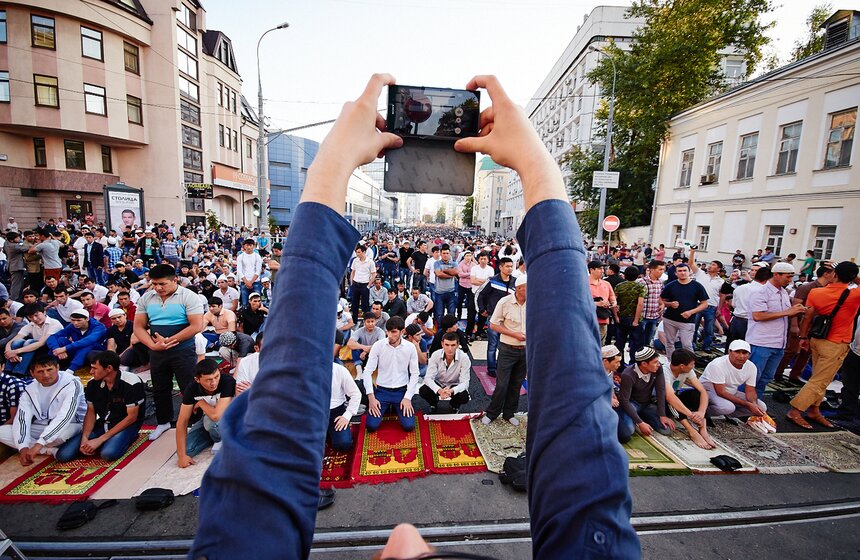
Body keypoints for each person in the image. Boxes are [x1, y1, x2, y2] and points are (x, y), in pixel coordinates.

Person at [189, 74, 638, 559]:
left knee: (389, 422)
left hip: (393, 393)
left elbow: (575, 407)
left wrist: (331, 165)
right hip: (395, 390)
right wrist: (536, 166)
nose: (404, 534)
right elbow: (574, 390)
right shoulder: (385, 338)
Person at [135, 264, 204, 441]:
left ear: (175, 280)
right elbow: (139, 326)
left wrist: (170, 341)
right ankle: (163, 421)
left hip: (182, 350)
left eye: (162, 284)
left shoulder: (188, 296)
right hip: (157, 351)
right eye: (154, 284)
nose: (158, 288)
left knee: (188, 387)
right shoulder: (147, 298)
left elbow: (196, 325)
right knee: (159, 387)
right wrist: (153, 345)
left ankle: (196, 423)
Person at [788, 261, 860, 429]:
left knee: (819, 377)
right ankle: (796, 410)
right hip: (837, 343)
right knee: (820, 380)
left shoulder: (816, 292)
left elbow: (808, 317)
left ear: (834, 275)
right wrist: (853, 276)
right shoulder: (854, 294)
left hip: (817, 338)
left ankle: (814, 409)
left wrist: (803, 337)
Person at [0, 355, 86, 464]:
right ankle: (49, 450)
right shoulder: (30, 389)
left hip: (73, 424)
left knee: (58, 437)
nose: (46, 375)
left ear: (58, 367)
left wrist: (38, 444)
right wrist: (22, 447)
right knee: (2, 431)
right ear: (32, 373)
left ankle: (41, 446)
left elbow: (65, 417)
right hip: (42, 425)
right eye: (40, 371)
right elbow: (22, 419)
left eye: (49, 370)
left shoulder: (71, 383)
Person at [63, 351, 145, 461]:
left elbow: (131, 418)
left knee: (108, 454)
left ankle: (127, 437)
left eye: (95, 368)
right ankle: (103, 442)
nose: (91, 372)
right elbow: (91, 412)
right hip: (102, 423)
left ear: (109, 368)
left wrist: (100, 440)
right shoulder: (93, 384)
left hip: (125, 425)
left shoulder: (132, 383)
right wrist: (85, 438)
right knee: (64, 455)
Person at [746, 262, 806, 398]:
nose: (790, 280)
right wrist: (787, 312)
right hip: (761, 342)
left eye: (792, 277)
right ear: (776, 274)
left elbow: (785, 313)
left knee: (766, 378)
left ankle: (755, 406)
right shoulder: (760, 292)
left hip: (778, 343)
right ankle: (742, 406)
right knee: (752, 379)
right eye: (788, 277)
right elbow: (757, 315)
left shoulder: (783, 292)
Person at [775, 262, 835, 383]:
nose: (835, 276)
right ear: (826, 274)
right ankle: (778, 373)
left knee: (806, 352)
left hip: (815, 325)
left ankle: (795, 375)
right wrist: (794, 325)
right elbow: (795, 307)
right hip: (801, 322)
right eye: (834, 273)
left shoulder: (828, 288)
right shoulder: (807, 287)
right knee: (791, 350)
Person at [482, 274, 527, 425]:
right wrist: (514, 334)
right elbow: (493, 325)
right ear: (520, 288)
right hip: (508, 349)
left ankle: (509, 413)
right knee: (502, 384)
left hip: (526, 350)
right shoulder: (505, 302)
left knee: (517, 384)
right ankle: (492, 413)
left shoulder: (534, 303)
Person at [362, 315, 420, 432]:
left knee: (408, 426)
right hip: (382, 391)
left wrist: (408, 397)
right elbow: (367, 371)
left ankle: (395, 407)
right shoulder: (378, 346)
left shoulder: (410, 347)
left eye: (394, 332)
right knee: (371, 426)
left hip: (401, 391)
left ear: (402, 331)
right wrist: (371, 397)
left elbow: (415, 373)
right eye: (388, 331)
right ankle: (390, 407)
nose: (390, 335)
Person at [176, 358, 235, 466]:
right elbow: (182, 422)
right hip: (209, 420)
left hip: (229, 419)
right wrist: (181, 456)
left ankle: (226, 439)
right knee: (187, 450)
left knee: (211, 423)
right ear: (197, 380)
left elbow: (216, 416)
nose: (214, 382)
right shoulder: (192, 389)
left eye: (216, 377)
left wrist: (201, 402)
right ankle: (214, 438)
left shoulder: (227, 381)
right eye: (208, 380)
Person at [616, 347, 674, 441]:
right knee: (629, 430)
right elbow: (624, 400)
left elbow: (660, 390)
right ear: (644, 364)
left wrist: (662, 414)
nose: (658, 364)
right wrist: (640, 422)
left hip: (647, 404)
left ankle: (642, 416)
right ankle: (637, 417)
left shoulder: (658, 369)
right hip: (632, 404)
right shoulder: (628, 374)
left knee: (666, 429)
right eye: (655, 362)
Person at [662, 348, 715, 449]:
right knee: (672, 400)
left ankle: (703, 430)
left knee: (695, 394)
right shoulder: (664, 371)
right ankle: (692, 431)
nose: (693, 366)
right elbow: (669, 397)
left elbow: (702, 391)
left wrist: (701, 413)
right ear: (682, 366)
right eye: (692, 364)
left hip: (675, 397)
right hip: (661, 402)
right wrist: (691, 415)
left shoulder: (687, 370)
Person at [699, 339, 767, 418]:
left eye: (744, 353)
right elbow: (721, 392)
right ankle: (702, 413)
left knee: (762, 407)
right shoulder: (718, 364)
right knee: (728, 407)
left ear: (749, 354)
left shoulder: (751, 367)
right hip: (708, 390)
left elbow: (750, 390)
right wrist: (747, 404)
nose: (741, 356)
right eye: (737, 352)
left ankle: (727, 416)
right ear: (729, 352)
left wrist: (753, 404)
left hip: (730, 390)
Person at [660, 263, 708, 361]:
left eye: (685, 270)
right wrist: (670, 304)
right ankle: (671, 362)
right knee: (669, 343)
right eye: (680, 271)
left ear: (690, 272)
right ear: (676, 273)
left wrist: (691, 312)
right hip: (670, 319)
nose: (682, 273)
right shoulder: (670, 285)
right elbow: (661, 300)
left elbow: (704, 304)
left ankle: (690, 364)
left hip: (687, 321)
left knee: (687, 344)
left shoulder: (697, 286)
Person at [477, 256, 516, 378]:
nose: (510, 269)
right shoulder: (492, 280)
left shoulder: (515, 281)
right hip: (493, 318)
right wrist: (482, 310)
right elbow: (480, 294)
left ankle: (503, 367)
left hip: (508, 320)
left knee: (505, 345)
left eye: (511, 266)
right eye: (507, 266)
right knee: (492, 345)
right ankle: (492, 368)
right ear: (500, 267)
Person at [4, 304, 63, 377]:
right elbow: (14, 339)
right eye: (31, 317)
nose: (34, 319)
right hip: (34, 349)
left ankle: (19, 372)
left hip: (50, 349)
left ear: (44, 312)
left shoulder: (54, 323)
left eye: (36, 315)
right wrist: (8, 351)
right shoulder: (31, 325)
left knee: (30, 342)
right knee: (17, 342)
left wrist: (15, 351)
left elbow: (41, 343)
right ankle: (8, 370)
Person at [420, 332, 471, 413]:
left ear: (458, 345)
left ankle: (454, 405)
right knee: (423, 390)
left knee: (464, 396)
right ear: (442, 344)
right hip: (438, 382)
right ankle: (433, 403)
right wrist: (439, 390)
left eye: (453, 345)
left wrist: (452, 391)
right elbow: (428, 378)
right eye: (447, 345)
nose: (450, 348)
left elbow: (465, 383)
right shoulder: (436, 355)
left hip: (454, 384)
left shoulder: (464, 358)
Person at [688, 248, 724, 352]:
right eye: (710, 264)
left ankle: (706, 346)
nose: (710, 266)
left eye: (713, 265)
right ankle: (692, 344)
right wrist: (692, 251)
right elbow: (691, 263)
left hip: (711, 307)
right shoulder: (700, 274)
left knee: (709, 329)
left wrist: (719, 309)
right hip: (698, 305)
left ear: (718, 269)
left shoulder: (721, 281)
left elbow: (722, 296)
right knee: (693, 327)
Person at [614, 266, 646, 364]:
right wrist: (636, 320)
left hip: (622, 318)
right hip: (635, 319)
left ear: (625, 275)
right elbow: (640, 304)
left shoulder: (619, 286)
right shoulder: (640, 287)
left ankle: (619, 365)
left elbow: (614, 303)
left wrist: (616, 317)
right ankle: (634, 365)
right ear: (637, 276)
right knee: (636, 345)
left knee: (619, 344)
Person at [329, 361, 361, 451]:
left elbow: (355, 394)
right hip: (313, 412)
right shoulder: (305, 370)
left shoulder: (339, 370)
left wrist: (346, 416)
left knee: (343, 444)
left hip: (335, 412)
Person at [587, 260, 616, 344]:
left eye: (603, 268)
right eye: (599, 268)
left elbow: (612, 296)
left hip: (603, 318)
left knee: (600, 344)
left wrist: (613, 303)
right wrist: (597, 304)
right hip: (588, 319)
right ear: (591, 270)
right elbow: (580, 301)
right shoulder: (584, 283)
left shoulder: (606, 284)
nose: (602, 271)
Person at [349, 244, 375, 316]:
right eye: (356, 252)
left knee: (365, 304)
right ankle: (354, 320)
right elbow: (352, 272)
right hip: (355, 283)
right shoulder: (355, 260)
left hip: (365, 284)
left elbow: (374, 274)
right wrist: (351, 283)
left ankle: (366, 320)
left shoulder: (370, 262)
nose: (357, 254)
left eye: (359, 252)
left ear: (364, 252)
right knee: (354, 304)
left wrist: (369, 285)